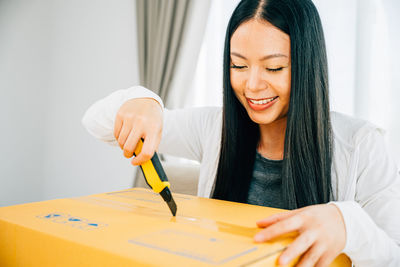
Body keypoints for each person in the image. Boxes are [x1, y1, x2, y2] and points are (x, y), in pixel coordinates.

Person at [82, 0, 400, 266]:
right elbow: (96, 122)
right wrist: (143, 101)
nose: (251, 85)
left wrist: (349, 225)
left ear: (307, 65)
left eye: (273, 67)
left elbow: (393, 254)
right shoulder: (213, 128)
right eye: (238, 65)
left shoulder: (362, 144)